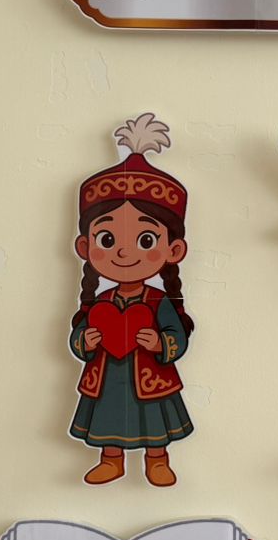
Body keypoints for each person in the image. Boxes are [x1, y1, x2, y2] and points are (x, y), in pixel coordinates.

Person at [69, 114, 194, 487]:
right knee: (109, 416)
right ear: (85, 247)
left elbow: (178, 335)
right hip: (108, 376)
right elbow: (77, 336)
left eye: (145, 240)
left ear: (173, 250)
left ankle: (157, 459)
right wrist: (85, 340)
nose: (124, 252)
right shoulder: (101, 302)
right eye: (107, 240)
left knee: (152, 419)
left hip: (150, 377)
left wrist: (161, 343)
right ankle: (112, 459)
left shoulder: (158, 301)